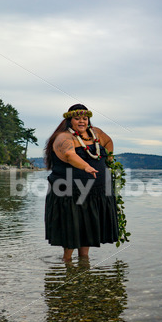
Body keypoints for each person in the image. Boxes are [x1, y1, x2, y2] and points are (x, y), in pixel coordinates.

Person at [44, 104, 119, 262]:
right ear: (69, 120)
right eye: (77, 118)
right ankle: (67, 263)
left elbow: (108, 142)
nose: (82, 121)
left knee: (88, 226)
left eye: (85, 118)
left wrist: (109, 160)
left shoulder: (95, 133)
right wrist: (86, 166)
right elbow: (70, 155)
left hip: (95, 191)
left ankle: (84, 262)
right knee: (74, 226)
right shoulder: (64, 137)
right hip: (71, 191)